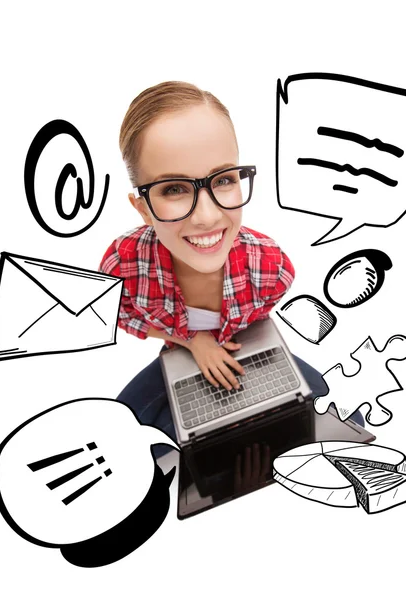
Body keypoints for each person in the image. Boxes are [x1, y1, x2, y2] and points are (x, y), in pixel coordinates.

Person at [100, 81, 363, 456]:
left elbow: (260, 316)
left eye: (223, 180)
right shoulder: (126, 264)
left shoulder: (269, 266)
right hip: (179, 357)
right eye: (174, 189)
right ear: (142, 207)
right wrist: (193, 342)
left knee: (328, 402)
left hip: (249, 346)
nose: (207, 217)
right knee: (124, 430)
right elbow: (124, 316)